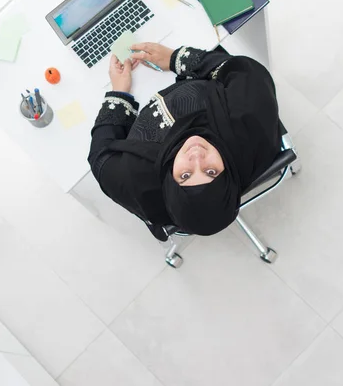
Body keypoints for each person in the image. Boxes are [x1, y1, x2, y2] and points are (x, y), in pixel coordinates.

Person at [88, 42, 281, 241]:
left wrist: (120, 91)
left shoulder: (139, 184)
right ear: (229, 177)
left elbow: (99, 157)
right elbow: (245, 71)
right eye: (211, 171)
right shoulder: (251, 128)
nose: (196, 156)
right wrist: (174, 59)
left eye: (185, 174)